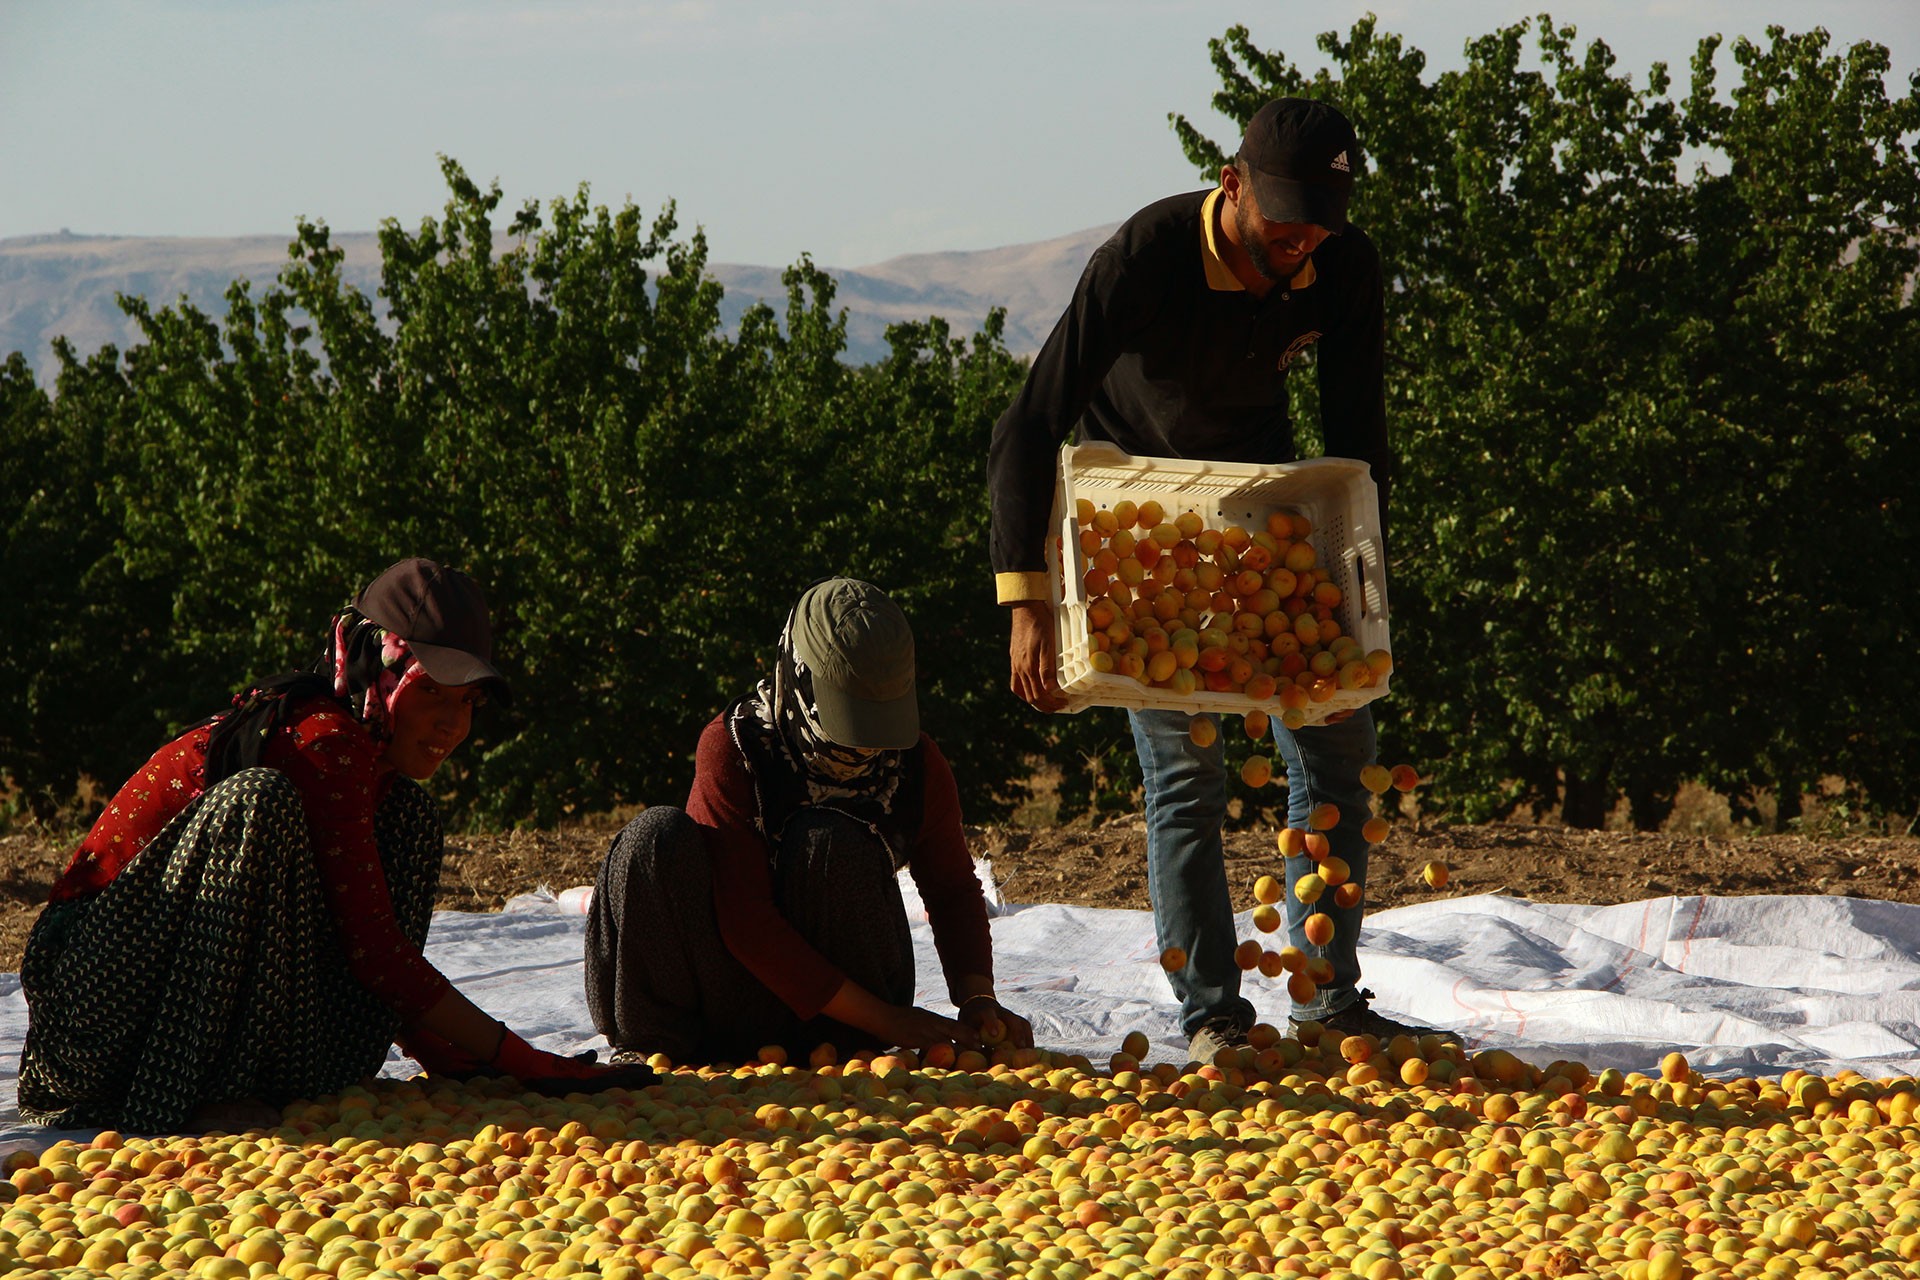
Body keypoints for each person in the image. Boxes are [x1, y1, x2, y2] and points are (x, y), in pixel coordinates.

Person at [988, 98, 1442, 1062]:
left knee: (1335, 764)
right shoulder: (1147, 256)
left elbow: (1361, 440)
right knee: (1184, 778)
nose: (1303, 238)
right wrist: (1026, 602)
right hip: (1142, 532)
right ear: (1230, 186)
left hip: (1263, 522)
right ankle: (1213, 1018)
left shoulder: (1341, 268)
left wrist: (1362, 582)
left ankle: (1327, 1000)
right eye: (1286, 218)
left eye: (1322, 218)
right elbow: (1026, 425)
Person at [18, 558, 654, 1133]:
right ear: (375, 673)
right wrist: (529, 1063)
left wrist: (453, 1059)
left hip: (170, 1005)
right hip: (90, 1013)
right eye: (430, 691)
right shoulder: (322, 741)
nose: (450, 724)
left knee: (409, 816)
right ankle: (181, 1097)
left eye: (467, 703)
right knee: (256, 804)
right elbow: (374, 949)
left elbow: (361, 930)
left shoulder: (374, 773)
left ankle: (238, 1082)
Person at [585, 578, 1032, 1066]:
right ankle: (653, 1050)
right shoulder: (736, 748)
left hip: (844, 1023)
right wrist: (893, 1021)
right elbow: (745, 920)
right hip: (728, 998)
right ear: (798, 678)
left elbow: (951, 891)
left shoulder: (916, 765)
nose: (866, 746)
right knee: (652, 838)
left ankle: (840, 1047)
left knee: (831, 839)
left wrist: (977, 999)